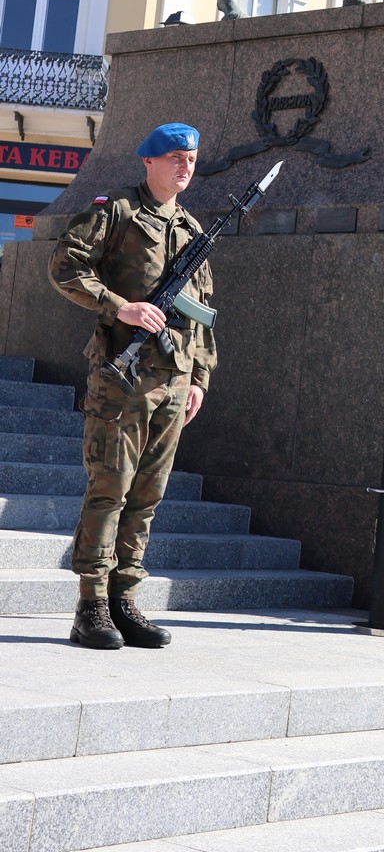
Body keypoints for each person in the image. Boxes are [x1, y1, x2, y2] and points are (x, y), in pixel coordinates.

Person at [48, 123, 216, 651]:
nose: (183, 166)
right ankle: (90, 605)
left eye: (190, 158)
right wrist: (121, 306)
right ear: (148, 161)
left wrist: (200, 379)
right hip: (123, 381)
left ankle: (124, 599)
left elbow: (204, 318)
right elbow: (65, 265)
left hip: (174, 382)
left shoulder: (192, 228)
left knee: (147, 497)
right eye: (173, 157)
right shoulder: (115, 211)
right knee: (109, 491)